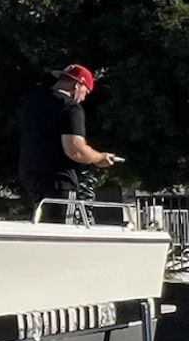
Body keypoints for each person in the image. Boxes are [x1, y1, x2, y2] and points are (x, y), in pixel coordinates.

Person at [18, 64, 118, 223]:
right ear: (78, 85)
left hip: (31, 176)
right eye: (86, 91)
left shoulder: (34, 102)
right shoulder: (70, 108)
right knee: (62, 231)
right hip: (59, 182)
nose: (84, 98)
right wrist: (99, 158)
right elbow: (75, 149)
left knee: (40, 227)